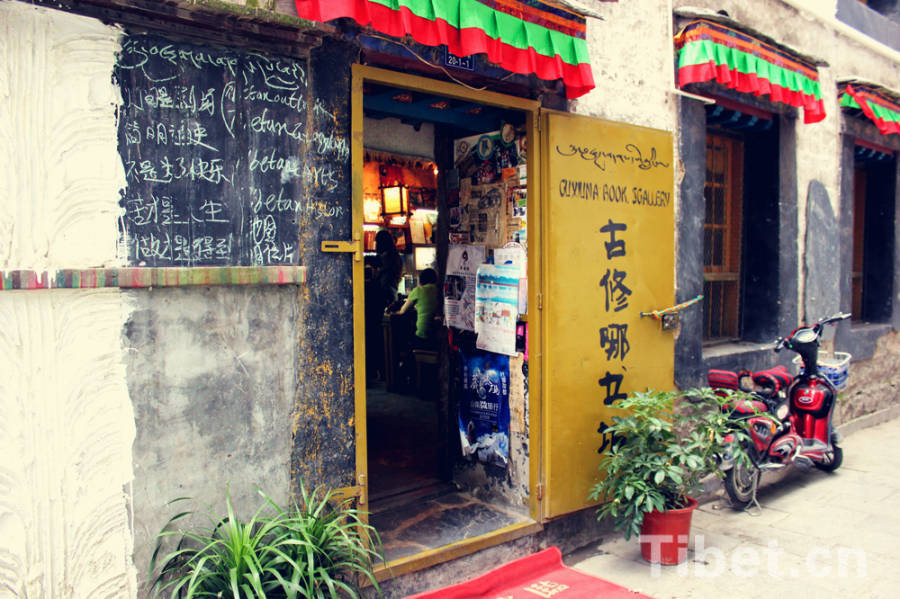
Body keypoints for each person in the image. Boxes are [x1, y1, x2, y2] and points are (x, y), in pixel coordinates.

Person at [394, 268, 439, 348]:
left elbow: (403, 311)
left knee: (406, 339)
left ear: (421, 279)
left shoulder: (418, 290)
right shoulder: (440, 290)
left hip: (423, 335)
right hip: (438, 336)